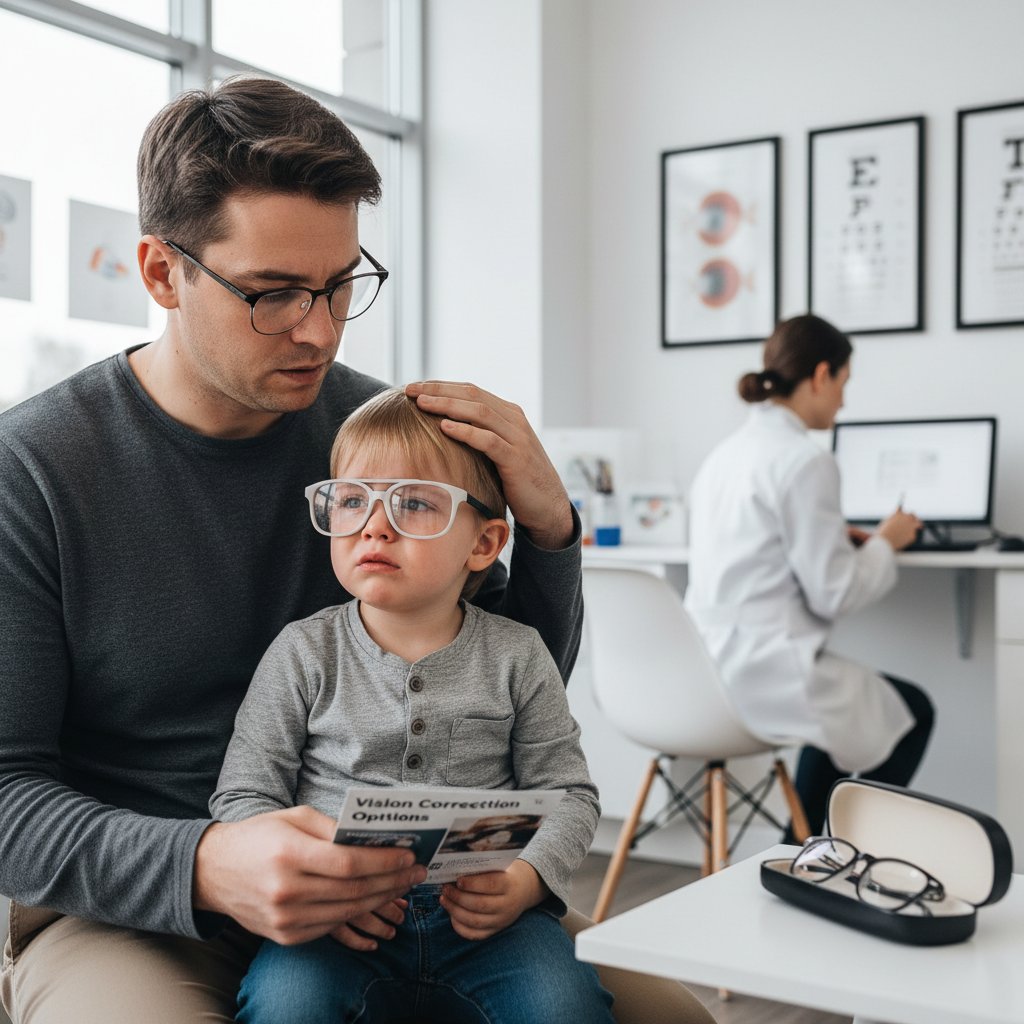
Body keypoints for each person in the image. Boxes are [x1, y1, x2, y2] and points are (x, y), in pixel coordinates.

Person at [0, 77, 714, 1024]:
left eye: (342, 284)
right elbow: (7, 795)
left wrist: (550, 532)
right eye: (274, 294)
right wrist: (209, 863)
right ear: (161, 273)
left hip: (414, 896)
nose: (321, 330)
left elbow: (497, 676)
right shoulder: (33, 470)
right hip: (145, 908)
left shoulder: (379, 434)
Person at [210, 388, 615, 1023]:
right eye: (351, 501)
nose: (374, 524)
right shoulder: (302, 652)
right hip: (335, 922)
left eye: (414, 503)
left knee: (566, 1006)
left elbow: (569, 793)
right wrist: (316, 880)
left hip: (492, 921)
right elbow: (243, 796)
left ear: (483, 544)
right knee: (287, 1005)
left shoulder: (519, 654)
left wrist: (525, 882)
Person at [684, 314, 935, 837]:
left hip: (701, 671)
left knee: (839, 725)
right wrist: (887, 542)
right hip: (765, 669)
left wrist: (834, 535)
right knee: (913, 712)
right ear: (822, 375)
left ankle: (800, 846)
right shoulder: (805, 460)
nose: (844, 401)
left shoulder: (725, 454)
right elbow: (834, 594)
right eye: (844, 383)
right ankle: (834, 851)